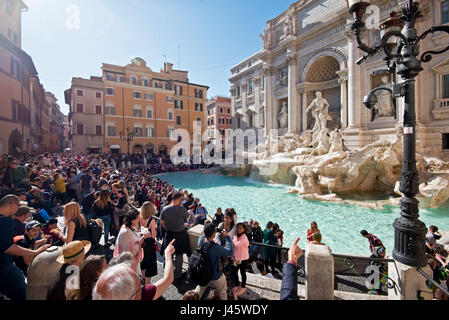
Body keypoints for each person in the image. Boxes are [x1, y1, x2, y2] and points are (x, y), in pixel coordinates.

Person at [0, 195, 50, 300]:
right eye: (18, 206)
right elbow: (8, 247)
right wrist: (35, 252)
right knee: (23, 292)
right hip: (4, 265)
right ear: (12, 205)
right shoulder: (6, 221)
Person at [93, 239, 175, 300]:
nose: (140, 282)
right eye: (138, 285)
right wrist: (168, 254)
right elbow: (168, 279)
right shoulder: (142, 296)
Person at [197, 223, 233, 300]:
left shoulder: (200, 240)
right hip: (215, 275)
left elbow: (205, 235)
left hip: (203, 272)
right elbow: (230, 252)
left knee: (199, 291)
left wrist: (213, 230)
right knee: (223, 291)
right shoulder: (215, 247)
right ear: (213, 234)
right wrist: (228, 238)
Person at [160, 191, 191, 281]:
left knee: (168, 254)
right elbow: (188, 217)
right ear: (178, 199)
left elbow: (162, 222)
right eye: (181, 199)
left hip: (169, 234)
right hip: (180, 235)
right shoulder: (181, 209)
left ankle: (167, 272)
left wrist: (167, 228)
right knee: (179, 255)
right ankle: (177, 275)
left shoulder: (165, 208)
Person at [114, 209, 151, 274]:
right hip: (128, 264)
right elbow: (127, 252)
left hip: (131, 262)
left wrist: (141, 235)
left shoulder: (131, 227)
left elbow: (133, 237)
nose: (140, 220)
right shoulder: (125, 233)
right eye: (138, 218)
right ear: (132, 220)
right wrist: (142, 239)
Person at [139, 201, 158, 284]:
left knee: (143, 262)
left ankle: (143, 279)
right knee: (150, 264)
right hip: (149, 244)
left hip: (142, 242)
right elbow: (153, 235)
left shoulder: (140, 218)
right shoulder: (152, 220)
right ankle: (147, 284)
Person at [231, 222, 250, 299]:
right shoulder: (239, 236)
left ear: (244, 229)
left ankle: (243, 286)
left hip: (243, 259)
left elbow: (236, 245)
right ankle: (237, 285)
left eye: (240, 228)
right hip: (237, 258)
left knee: (242, 273)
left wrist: (235, 236)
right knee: (234, 272)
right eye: (238, 228)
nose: (238, 230)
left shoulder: (244, 237)